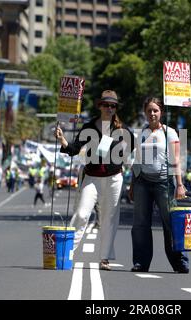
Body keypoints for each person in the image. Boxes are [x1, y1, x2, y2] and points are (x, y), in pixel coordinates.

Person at [55, 90, 134, 271]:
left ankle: (104, 258)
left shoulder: (122, 129)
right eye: (106, 105)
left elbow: (131, 149)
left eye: (112, 106)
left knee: (109, 219)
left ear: (116, 108)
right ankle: (68, 252)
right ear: (99, 106)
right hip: (92, 178)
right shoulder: (89, 127)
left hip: (114, 179)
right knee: (82, 214)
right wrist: (62, 140)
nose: (109, 108)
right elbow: (74, 148)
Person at [129, 97, 188, 274]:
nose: (152, 113)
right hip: (142, 183)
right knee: (140, 224)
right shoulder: (141, 134)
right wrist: (132, 185)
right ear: (145, 113)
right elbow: (137, 161)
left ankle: (179, 262)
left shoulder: (169, 133)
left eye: (155, 110)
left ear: (161, 112)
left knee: (171, 223)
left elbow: (176, 160)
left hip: (164, 184)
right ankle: (141, 262)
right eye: (149, 110)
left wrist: (179, 184)